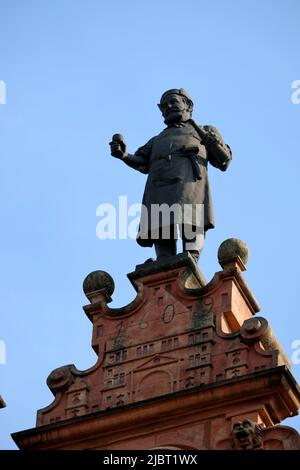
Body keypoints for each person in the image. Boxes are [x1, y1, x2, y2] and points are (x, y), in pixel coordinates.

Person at [109, 88, 232, 262]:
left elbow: (224, 160)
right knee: (161, 224)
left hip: (189, 184)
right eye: (164, 105)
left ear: (188, 105)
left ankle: (191, 257)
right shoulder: (158, 139)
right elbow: (141, 162)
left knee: (190, 220)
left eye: (173, 102)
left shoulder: (203, 130)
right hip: (159, 187)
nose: (168, 107)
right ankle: (163, 261)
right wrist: (123, 155)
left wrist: (212, 144)